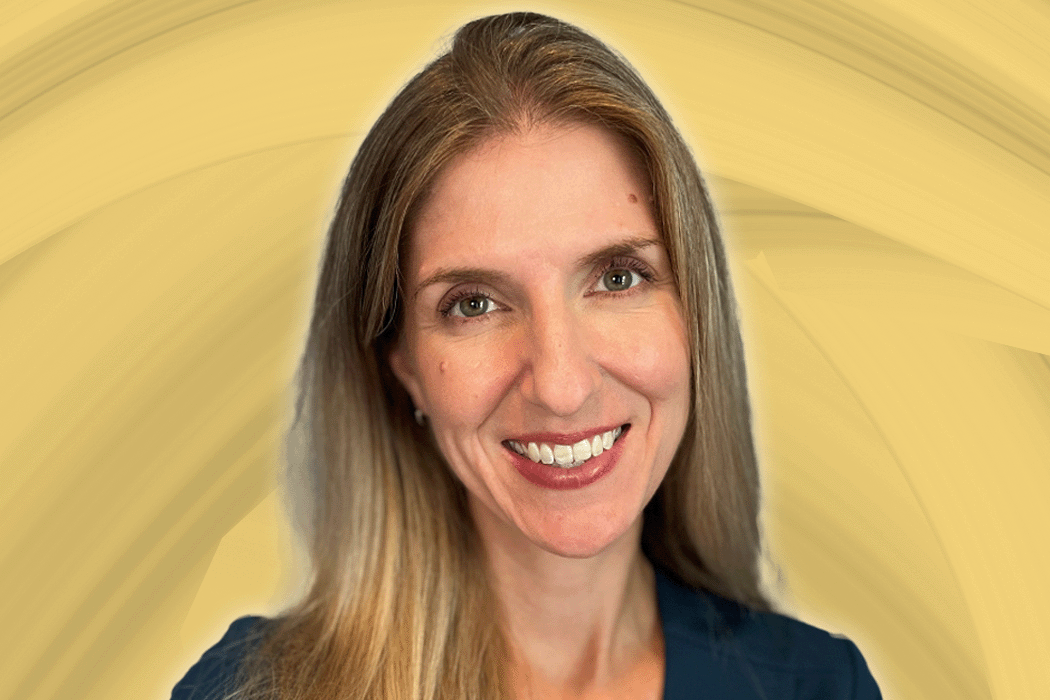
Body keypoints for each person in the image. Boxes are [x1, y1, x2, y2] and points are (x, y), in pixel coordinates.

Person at [172, 12, 881, 700]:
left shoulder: (820, 686)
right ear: (401, 363)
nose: (563, 386)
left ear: (697, 314)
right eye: (474, 303)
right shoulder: (252, 692)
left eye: (617, 278)